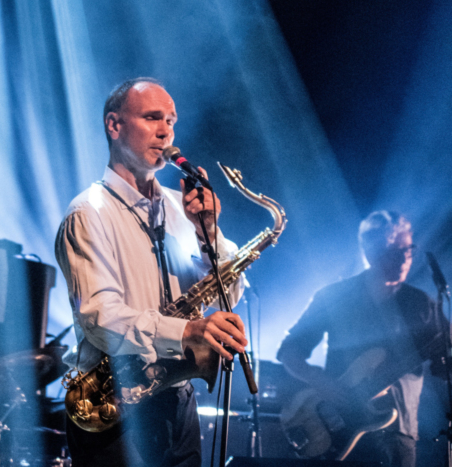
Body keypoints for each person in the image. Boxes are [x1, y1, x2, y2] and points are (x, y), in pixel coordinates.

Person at [55, 78, 248, 467]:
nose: (166, 131)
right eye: (152, 117)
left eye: (171, 121)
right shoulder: (88, 213)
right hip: (111, 405)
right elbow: (99, 317)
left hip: (176, 398)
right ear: (114, 125)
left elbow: (230, 289)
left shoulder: (184, 208)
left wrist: (208, 232)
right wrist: (186, 331)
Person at [277, 211, 445, 467]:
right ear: (369, 252)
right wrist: (321, 382)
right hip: (338, 425)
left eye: (408, 250)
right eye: (392, 251)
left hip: (400, 433)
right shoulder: (334, 296)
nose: (403, 259)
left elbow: (441, 363)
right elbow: (289, 350)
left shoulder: (421, 303)